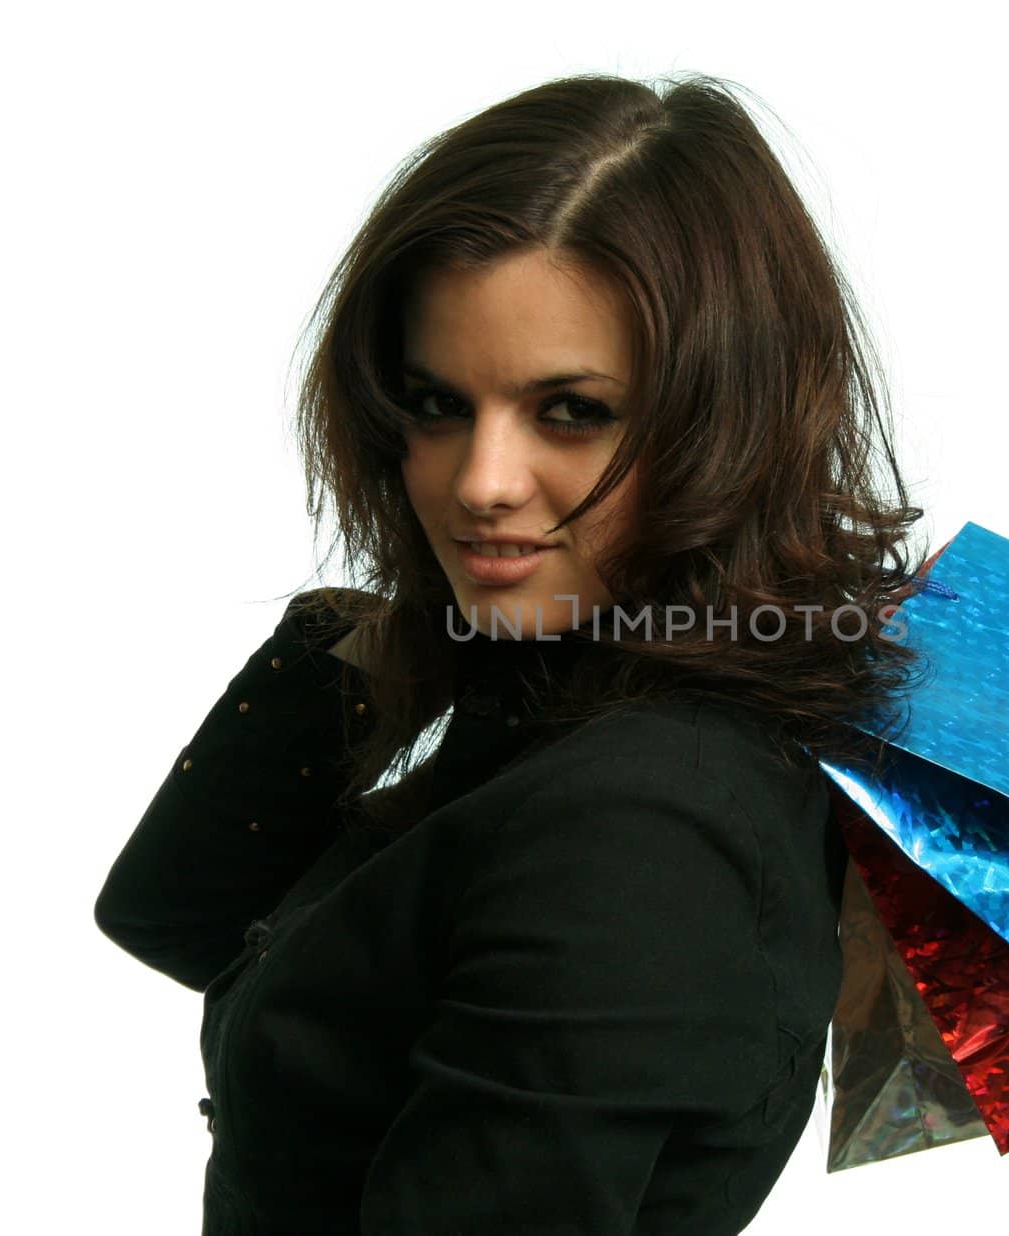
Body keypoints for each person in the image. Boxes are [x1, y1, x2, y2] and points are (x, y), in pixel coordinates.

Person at [93, 70, 932, 1235]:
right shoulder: (557, 698)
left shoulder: (636, 820)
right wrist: (375, 635)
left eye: (569, 411)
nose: (480, 484)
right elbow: (175, 920)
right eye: (437, 406)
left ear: (722, 423)